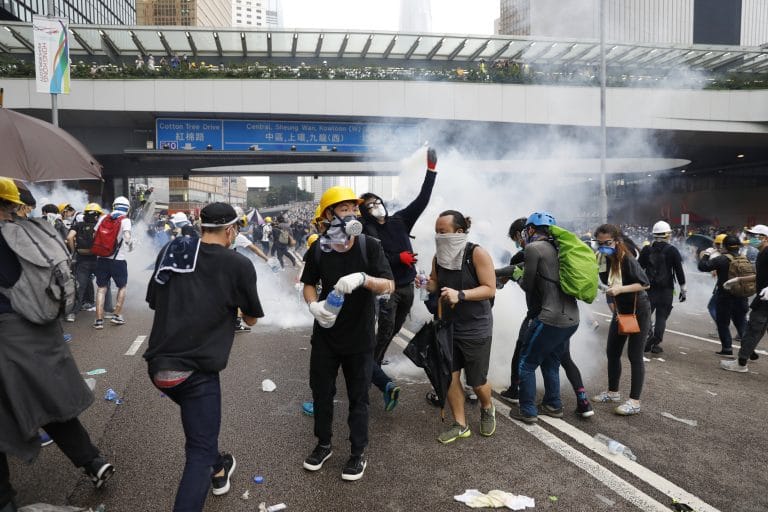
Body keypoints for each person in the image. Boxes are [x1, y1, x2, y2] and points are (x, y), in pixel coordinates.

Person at [0, 178, 114, 512]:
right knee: (49, 401)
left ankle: (4, 499)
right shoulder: (30, 234)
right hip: (38, 328)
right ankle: (92, 461)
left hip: (6, 335)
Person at [144, 202, 263, 512]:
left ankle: (220, 470)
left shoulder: (174, 249)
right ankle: (212, 469)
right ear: (230, 230)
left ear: (201, 226)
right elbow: (251, 319)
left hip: (159, 368)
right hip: (195, 374)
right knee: (199, 451)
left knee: (202, 431)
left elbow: (154, 300)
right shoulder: (238, 264)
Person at [300, 186, 394, 481]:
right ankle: (323, 444)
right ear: (329, 215)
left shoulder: (370, 246)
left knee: (358, 397)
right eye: (344, 209)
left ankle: (357, 452)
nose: (352, 214)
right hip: (326, 335)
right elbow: (308, 283)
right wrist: (313, 306)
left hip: (360, 337)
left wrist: (364, 279)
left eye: (354, 208)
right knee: (321, 393)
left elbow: (389, 285)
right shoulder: (318, 248)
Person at [359, 147, 437, 410]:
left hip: (407, 286)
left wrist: (431, 171)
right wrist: (397, 258)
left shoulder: (400, 220)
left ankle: (373, 362)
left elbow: (422, 200)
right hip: (386, 288)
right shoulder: (366, 230)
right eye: (369, 206)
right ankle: (371, 370)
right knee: (385, 328)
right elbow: (373, 258)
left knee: (394, 328)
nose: (376, 207)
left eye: (377, 202)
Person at [499, 216, 594, 418]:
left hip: (549, 318)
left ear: (530, 230)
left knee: (526, 363)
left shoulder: (533, 249)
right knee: (552, 361)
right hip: (572, 318)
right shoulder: (558, 248)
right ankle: (554, 405)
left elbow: (527, 284)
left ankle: (527, 410)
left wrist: (516, 275)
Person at [423, 210, 496, 442]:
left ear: (459, 231)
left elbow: (489, 288)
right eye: (436, 232)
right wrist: (427, 284)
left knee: (477, 382)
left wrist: (461, 294)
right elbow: (436, 283)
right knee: (450, 377)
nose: (438, 236)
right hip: (448, 328)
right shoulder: (438, 257)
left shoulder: (476, 254)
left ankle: (487, 407)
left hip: (475, 327)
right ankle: (460, 424)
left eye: (443, 231)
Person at [592, 224, 651, 416]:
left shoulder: (626, 258)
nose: (603, 246)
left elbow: (644, 284)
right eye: (599, 243)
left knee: (635, 355)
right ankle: (613, 392)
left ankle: (634, 401)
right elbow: (601, 279)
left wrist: (620, 289)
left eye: (607, 243)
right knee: (612, 351)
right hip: (620, 310)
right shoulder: (601, 257)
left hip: (638, 309)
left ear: (617, 241)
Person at [721, 225, 768, 372]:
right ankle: (743, 359)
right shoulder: (762, 253)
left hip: (764, 301)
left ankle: (741, 363)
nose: (752, 238)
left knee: (753, 329)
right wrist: (739, 280)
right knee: (756, 330)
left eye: (756, 236)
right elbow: (759, 276)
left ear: (765, 238)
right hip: (763, 299)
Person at [637, 220, 686, 354]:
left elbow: (638, 269)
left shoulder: (646, 250)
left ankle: (647, 338)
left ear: (654, 234)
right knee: (662, 317)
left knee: (646, 316)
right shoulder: (672, 250)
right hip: (666, 290)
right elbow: (679, 271)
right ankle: (655, 342)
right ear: (667, 235)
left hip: (649, 289)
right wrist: (683, 289)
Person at [697, 235, 750, 356]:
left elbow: (702, 266)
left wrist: (707, 254)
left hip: (725, 297)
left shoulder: (722, 259)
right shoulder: (744, 259)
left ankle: (727, 348)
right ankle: (748, 349)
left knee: (723, 323)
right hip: (741, 296)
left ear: (725, 246)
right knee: (741, 323)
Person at [93, 196, 133, 329]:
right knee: (122, 287)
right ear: (127, 208)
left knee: (101, 288)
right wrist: (130, 245)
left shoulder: (103, 218)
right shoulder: (125, 220)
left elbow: (95, 235)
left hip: (101, 258)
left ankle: (99, 320)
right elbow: (127, 237)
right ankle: (117, 316)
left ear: (114, 206)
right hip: (118, 259)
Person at [65, 203, 104, 323]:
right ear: (97, 215)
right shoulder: (100, 225)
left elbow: (69, 237)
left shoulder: (78, 224)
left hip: (82, 259)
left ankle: (72, 313)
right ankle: (107, 310)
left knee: (79, 287)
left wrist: (73, 251)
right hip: (98, 259)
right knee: (103, 285)